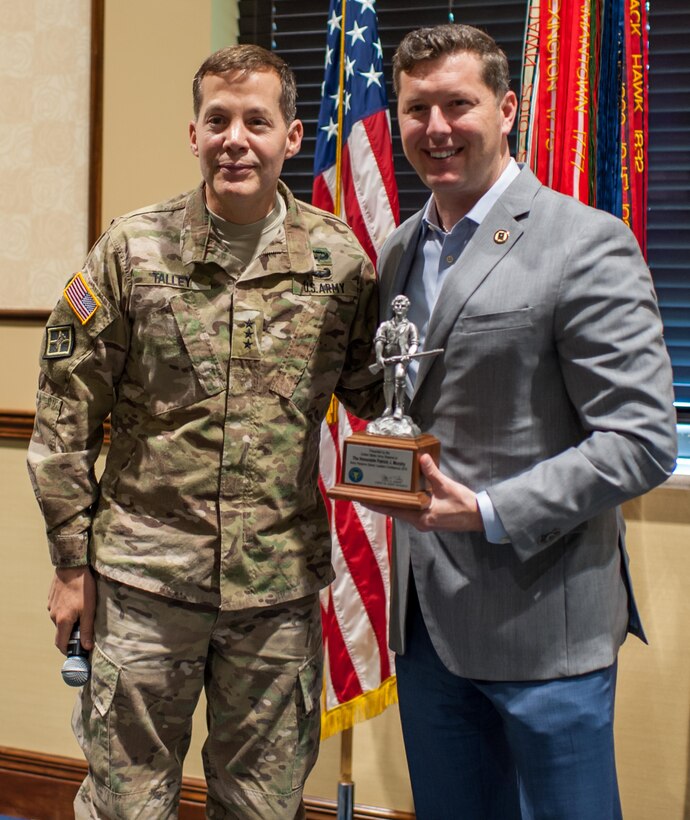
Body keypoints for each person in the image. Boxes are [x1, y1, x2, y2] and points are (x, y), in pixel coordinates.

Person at [27, 44, 382, 820]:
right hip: (143, 590)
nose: (236, 139)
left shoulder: (342, 264)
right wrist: (69, 564)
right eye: (218, 120)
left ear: (292, 137)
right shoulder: (131, 251)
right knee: (127, 805)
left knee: (263, 807)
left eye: (258, 121)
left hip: (276, 594)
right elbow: (63, 422)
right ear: (193, 134)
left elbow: (379, 396)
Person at [367, 23, 678, 819]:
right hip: (427, 623)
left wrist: (493, 511)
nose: (436, 128)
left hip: (546, 630)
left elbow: (641, 439)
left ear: (508, 110)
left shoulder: (586, 243)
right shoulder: (400, 250)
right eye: (416, 108)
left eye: (458, 104)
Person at [373, 294, 419, 422]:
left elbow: (415, 343)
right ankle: (388, 407)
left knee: (399, 376)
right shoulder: (385, 325)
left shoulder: (411, 326)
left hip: (402, 358)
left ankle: (399, 407)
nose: (399, 307)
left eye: (403, 305)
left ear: (407, 308)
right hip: (388, 357)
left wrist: (410, 353)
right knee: (388, 380)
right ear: (393, 307)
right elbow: (379, 341)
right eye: (397, 305)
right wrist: (379, 356)